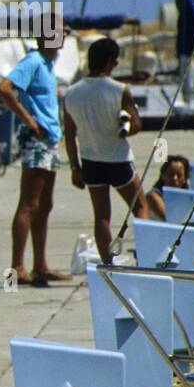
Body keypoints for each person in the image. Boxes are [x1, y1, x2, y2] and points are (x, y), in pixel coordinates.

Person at [0, 21, 72, 287]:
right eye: (62, 30)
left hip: (49, 140)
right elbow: (3, 89)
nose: (66, 34)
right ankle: (17, 267)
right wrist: (28, 120)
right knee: (28, 203)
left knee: (44, 204)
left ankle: (40, 265)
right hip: (37, 139)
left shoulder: (48, 65)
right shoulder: (34, 61)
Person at [63, 37, 145, 263]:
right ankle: (146, 256)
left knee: (101, 217)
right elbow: (136, 124)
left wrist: (74, 168)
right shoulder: (119, 90)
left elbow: (69, 134)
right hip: (118, 160)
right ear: (110, 61)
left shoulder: (71, 94)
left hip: (90, 161)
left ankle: (108, 263)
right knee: (140, 207)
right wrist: (126, 130)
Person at [147, 155, 191, 221]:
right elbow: (169, 220)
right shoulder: (153, 196)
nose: (175, 178)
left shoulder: (188, 198)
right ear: (163, 176)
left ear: (185, 178)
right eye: (171, 174)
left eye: (179, 175)